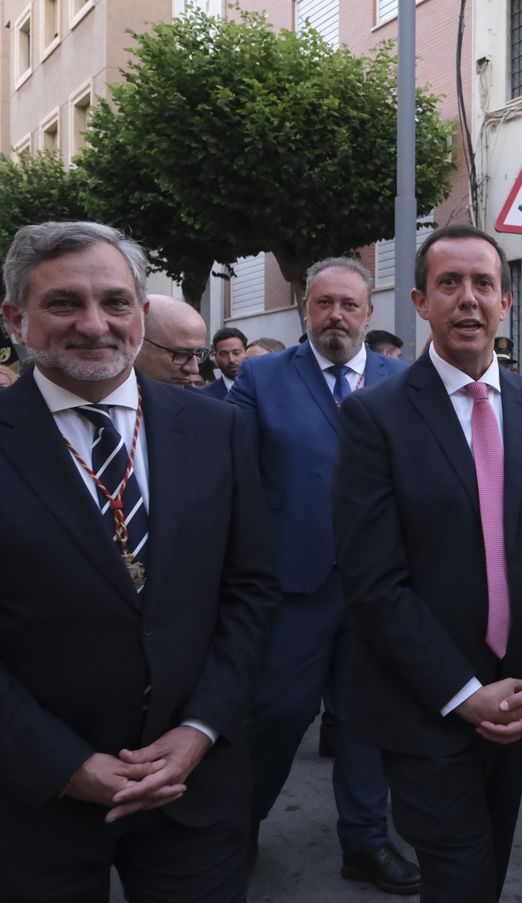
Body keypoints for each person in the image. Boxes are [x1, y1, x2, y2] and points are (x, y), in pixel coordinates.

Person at [0, 220, 278, 899]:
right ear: (16, 317)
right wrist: (63, 762)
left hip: (195, 786)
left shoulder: (219, 429)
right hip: (33, 799)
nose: (94, 324)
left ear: (141, 311)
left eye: (115, 301)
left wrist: (199, 727)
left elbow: (251, 592)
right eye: (64, 302)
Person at [333, 225, 522, 899]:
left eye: (483, 283)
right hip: (425, 702)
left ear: (506, 300)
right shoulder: (374, 417)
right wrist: (461, 692)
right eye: (450, 283)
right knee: (461, 873)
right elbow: (373, 580)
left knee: (491, 862)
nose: (468, 299)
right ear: (420, 300)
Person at [227, 257, 417, 889]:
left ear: (369, 314)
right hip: (292, 586)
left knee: (366, 722)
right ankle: (238, 826)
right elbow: (239, 483)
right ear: (306, 307)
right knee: (275, 714)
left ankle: (364, 841)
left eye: (350, 305)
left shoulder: (403, 381)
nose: (336, 315)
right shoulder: (261, 379)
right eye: (324, 303)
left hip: (378, 588)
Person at [134, 294, 210, 387]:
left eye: (198, 354)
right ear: (137, 342)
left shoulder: (200, 401)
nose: (194, 369)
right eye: (181, 354)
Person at [203, 326, 248, 399]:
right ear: (216, 357)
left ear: (246, 352)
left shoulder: (262, 388)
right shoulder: (204, 395)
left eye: (236, 353)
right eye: (224, 354)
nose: (231, 360)